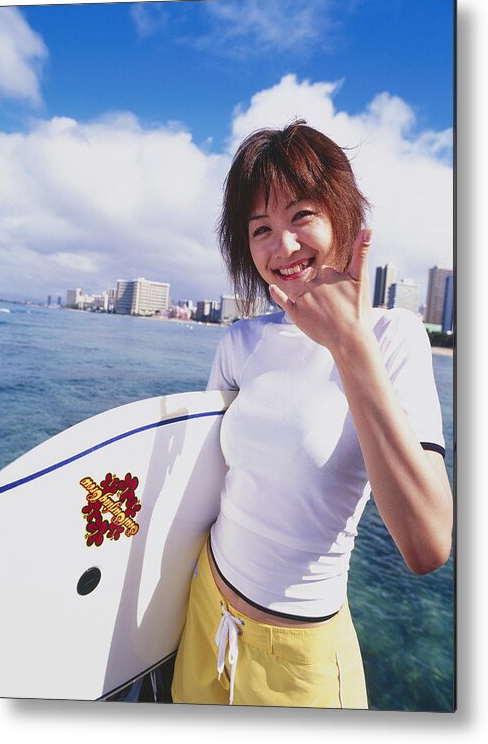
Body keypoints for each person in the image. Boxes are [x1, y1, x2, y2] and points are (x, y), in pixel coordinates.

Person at [171, 119, 453, 708]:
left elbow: (428, 546)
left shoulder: (392, 336)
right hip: (205, 606)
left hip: (301, 657)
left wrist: (348, 343)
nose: (283, 246)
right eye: (261, 229)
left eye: (302, 216)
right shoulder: (240, 342)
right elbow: (203, 488)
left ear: (341, 218)